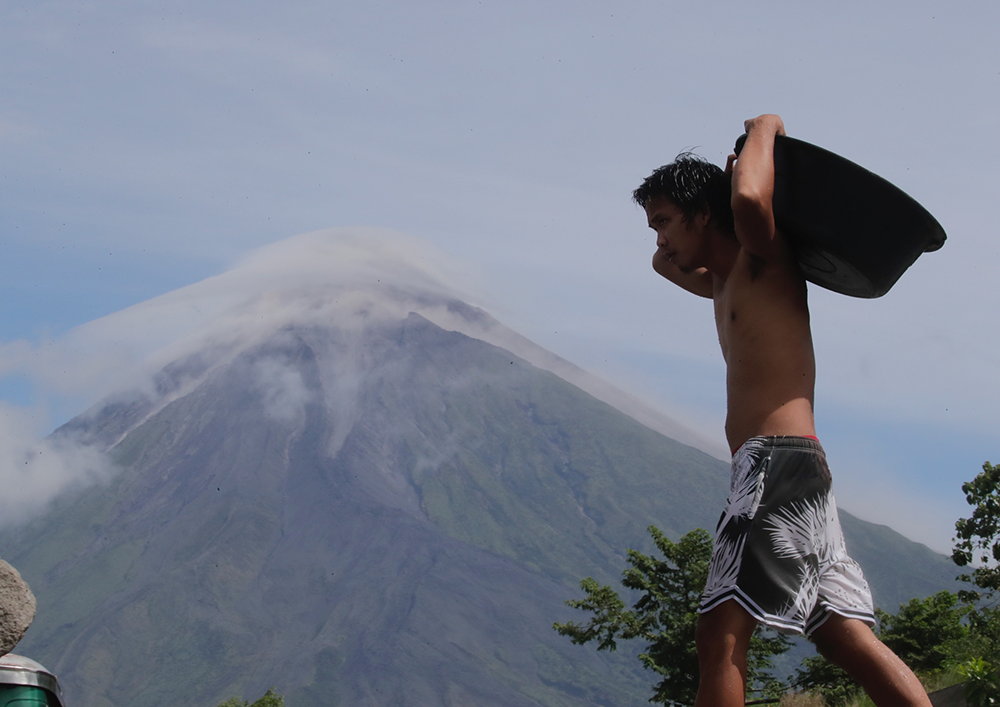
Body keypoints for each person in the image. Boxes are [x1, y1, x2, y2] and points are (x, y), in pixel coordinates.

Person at [633, 114, 932, 707]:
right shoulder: (721, 283)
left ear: (704, 213)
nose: (658, 238)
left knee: (719, 633)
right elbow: (664, 264)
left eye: (665, 221)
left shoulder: (761, 257)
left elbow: (747, 197)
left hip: (775, 463)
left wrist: (761, 132)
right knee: (844, 636)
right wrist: (688, 221)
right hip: (795, 468)